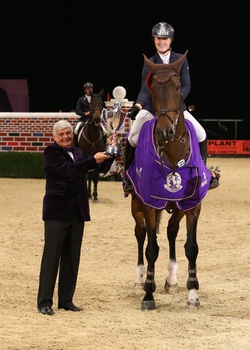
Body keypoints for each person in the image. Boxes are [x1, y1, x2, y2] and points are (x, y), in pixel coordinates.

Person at [123, 22, 219, 194]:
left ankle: (204, 174)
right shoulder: (150, 63)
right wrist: (138, 105)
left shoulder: (180, 59)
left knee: (201, 134)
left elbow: (187, 85)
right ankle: (127, 177)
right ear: (154, 40)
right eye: (158, 39)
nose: (162, 42)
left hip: (176, 108)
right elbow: (145, 89)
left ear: (171, 40)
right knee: (132, 138)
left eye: (165, 39)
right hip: (153, 108)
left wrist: (174, 102)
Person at [37, 120, 117, 315]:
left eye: (68, 133)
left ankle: (66, 300)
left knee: (72, 259)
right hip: (57, 213)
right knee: (52, 257)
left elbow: (100, 170)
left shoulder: (80, 152)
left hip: (77, 213)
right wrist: (92, 160)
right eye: (62, 134)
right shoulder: (51, 153)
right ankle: (44, 302)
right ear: (54, 137)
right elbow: (68, 170)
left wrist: (112, 151)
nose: (66, 137)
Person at [74, 82, 94, 146]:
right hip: (84, 119)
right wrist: (85, 113)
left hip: (94, 119)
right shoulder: (81, 99)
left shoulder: (95, 98)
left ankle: (104, 146)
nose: (89, 90)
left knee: (104, 131)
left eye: (90, 88)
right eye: (87, 89)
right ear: (85, 90)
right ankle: (75, 146)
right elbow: (77, 110)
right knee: (76, 129)